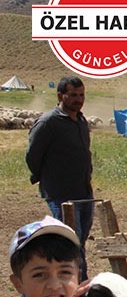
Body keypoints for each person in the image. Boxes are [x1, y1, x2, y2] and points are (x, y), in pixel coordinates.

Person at [26, 76, 94, 280]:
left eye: (81, 95)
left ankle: (75, 284)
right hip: (61, 194)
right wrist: (46, 179)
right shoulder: (48, 123)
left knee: (79, 241)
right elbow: (32, 155)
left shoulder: (81, 121)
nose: (78, 99)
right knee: (69, 242)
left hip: (84, 192)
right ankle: (76, 288)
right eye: (73, 95)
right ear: (60, 95)